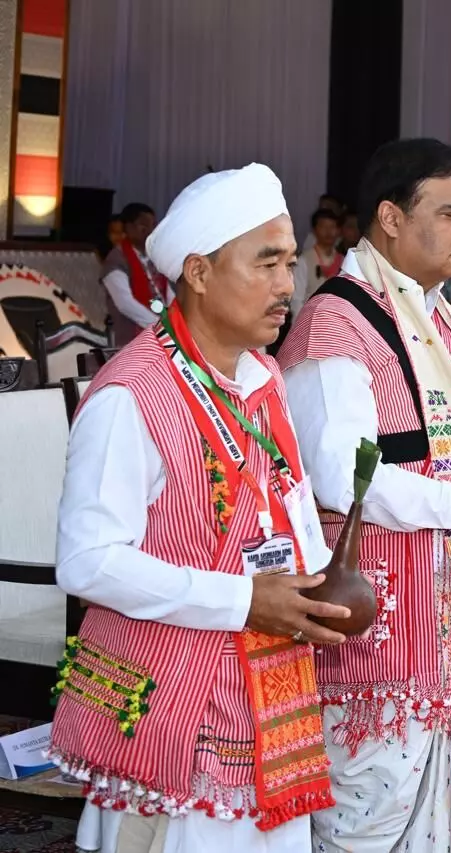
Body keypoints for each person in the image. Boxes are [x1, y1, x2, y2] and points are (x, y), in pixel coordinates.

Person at [51, 163, 346, 853]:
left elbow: (290, 499)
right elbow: (87, 562)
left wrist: (323, 581)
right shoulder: (132, 395)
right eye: (266, 262)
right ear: (200, 272)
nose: (287, 284)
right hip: (170, 710)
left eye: (290, 262)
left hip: (267, 697)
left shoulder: (263, 375)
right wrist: (245, 600)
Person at [277, 138, 451, 852]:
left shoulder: (445, 320)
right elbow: (343, 477)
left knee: (448, 806)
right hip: (383, 624)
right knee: (367, 817)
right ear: (391, 217)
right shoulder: (336, 319)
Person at [100, 202, 175, 344]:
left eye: (153, 225)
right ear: (129, 228)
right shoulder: (116, 260)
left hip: (164, 333)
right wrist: (160, 328)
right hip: (132, 339)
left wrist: (177, 321)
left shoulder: (152, 257)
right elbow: (125, 303)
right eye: (143, 225)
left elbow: (168, 294)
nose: (150, 230)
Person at [290, 209, 346, 318]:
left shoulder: (344, 262)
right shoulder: (304, 261)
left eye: (332, 227)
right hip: (309, 319)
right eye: (323, 227)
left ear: (338, 230)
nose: (329, 232)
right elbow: (297, 300)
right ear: (314, 230)